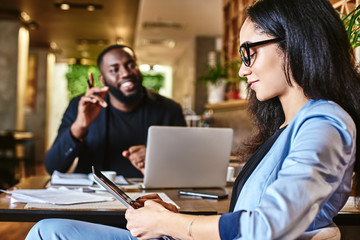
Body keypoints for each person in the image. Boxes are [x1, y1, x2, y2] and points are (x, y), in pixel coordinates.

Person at [26, 0, 360, 239]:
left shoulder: (323, 122)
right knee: (49, 228)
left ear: (295, 43)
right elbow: (249, 218)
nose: (243, 69)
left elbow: (267, 225)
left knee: (48, 233)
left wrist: (171, 225)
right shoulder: (287, 126)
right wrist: (175, 218)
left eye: (249, 52)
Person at [45, 45, 186, 178]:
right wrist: (80, 126)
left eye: (131, 65)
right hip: (94, 196)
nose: (125, 73)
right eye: (114, 70)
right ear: (103, 80)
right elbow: (53, 167)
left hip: (149, 197)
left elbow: (187, 162)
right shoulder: (81, 106)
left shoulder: (169, 109)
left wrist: (158, 156)